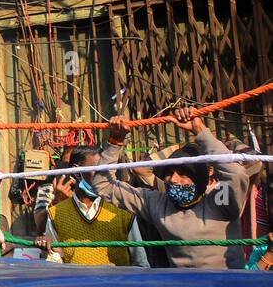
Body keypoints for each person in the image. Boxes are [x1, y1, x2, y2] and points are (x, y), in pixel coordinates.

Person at [93, 108, 251, 269]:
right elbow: (103, 186)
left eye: (183, 174)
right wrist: (115, 142)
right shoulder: (158, 203)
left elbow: (236, 173)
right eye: (169, 173)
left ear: (199, 179)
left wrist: (201, 131)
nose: (173, 179)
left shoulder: (220, 199)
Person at [38, 147, 148, 267]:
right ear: (77, 171)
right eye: (97, 170)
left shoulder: (122, 212)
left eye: (106, 171)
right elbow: (55, 261)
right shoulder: (56, 213)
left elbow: (140, 263)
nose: (103, 177)